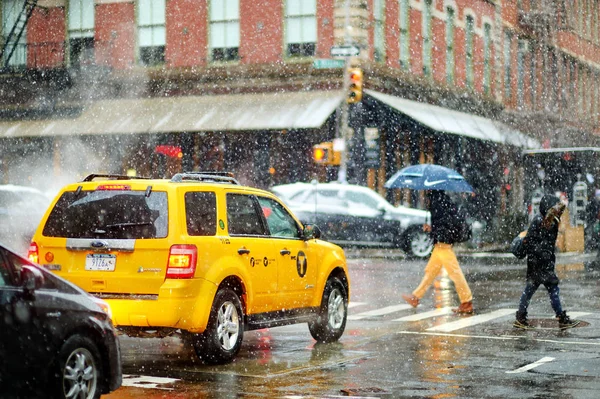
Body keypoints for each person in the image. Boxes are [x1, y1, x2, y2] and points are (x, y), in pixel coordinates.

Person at [513, 194, 580, 330]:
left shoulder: (552, 222)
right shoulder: (539, 222)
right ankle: (561, 317)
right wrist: (543, 256)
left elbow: (546, 244)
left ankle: (521, 317)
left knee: (531, 290)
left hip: (542, 263)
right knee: (551, 289)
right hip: (539, 264)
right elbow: (531, 243)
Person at [402, 190, 474, 314]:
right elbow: (443, 223)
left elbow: (444, 224)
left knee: (455, 273)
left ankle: (466, 301)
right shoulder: (440, 199)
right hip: (441, 243)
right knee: (430, 271)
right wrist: (432, 229)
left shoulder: (438, 201)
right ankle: (416, 297)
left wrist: (431, 229)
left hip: (443, 243)